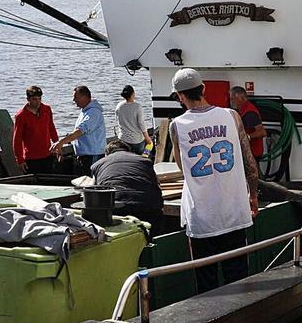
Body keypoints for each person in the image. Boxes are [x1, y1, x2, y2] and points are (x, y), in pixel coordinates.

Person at [169, 68, 260, 293]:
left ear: (180, 96)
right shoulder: (232, 116)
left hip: (201, 219)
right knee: (238, 281)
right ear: (203, 88)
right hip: (233, 212)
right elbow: (250, 164)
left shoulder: (176, 126)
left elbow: (183, 168)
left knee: (207, 286)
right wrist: (254, 195)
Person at [90, 139, 164, 226]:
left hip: (116, 207)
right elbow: (157, 185)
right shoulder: (145, 161)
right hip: (148, 206)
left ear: (106, 154)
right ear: (129, 151)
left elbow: (93, 192)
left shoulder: (98, 164)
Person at [53, 85, 106, 177]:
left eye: (75, 97)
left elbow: (80, 131)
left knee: (91, 182)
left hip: (92, 155)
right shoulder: (85, 111)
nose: (73, 100)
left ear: (84, 97)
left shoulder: (93, 113)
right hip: (85, 155)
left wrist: (61, 142)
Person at [11, 85, 58, 175]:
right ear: (28, 99)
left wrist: (57, 145)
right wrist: (20, 160)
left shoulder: (46, 109)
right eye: (34, 99)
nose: (38, 102)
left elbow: (51, 127)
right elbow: (17, 139)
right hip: (31, 158)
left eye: (39, 98)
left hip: (47, 155)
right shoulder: (21, 116)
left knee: (50, 183)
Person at [229, 86, 267, 160]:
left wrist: (247, 137)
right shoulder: (242, 111)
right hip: (248, 151)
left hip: (253, 153)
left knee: (253, 171)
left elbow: (262, 132)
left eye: (233, 98)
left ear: (241, 98)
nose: (231, 101)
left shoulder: (249, 113)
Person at [115, 85, 149, 154]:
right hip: (137, 140)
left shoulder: (119, 106)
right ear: (133, 94)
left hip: (123, 139)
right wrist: (147, 138)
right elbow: (141, 124)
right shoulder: (137, 106)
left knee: (126, 159)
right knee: (141, 157)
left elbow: (117, 121)